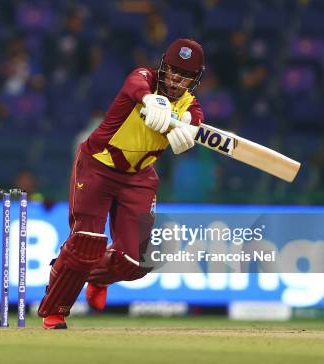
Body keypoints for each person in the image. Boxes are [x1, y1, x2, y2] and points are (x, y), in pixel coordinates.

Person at [37, 39, 206, 329]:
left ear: (195, 79)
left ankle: (81, 273)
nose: (175, 79)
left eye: (185, 75)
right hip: (98, 167)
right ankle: (55, 311)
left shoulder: (191, 105)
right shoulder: (143, 78)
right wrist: (150, 100)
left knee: (135, 262)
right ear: (163, 67)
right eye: (172, 71)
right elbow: (136, 87)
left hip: (139, 179)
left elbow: (196, 120)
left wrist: (189, 129)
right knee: (86, 242)